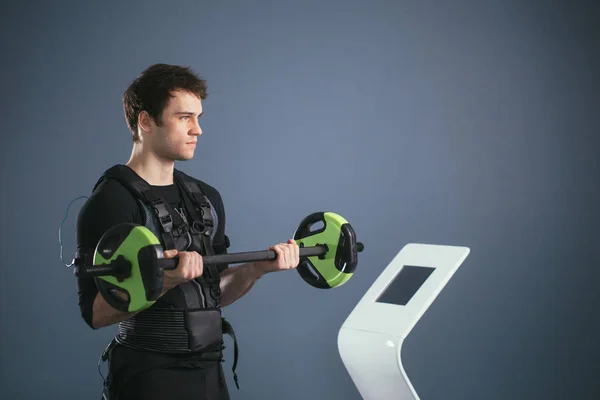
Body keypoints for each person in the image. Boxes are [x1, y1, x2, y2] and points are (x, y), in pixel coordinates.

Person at [75, 63, 300, 400]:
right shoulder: (111, 202)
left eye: (199, 117)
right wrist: (167, 280)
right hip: (148, 378)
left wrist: (256, 270)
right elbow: (95, 313)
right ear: (146, 121)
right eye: (184, 117)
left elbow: (215, 293)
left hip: (209, 372)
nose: (198, 130)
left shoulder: (206, 198)